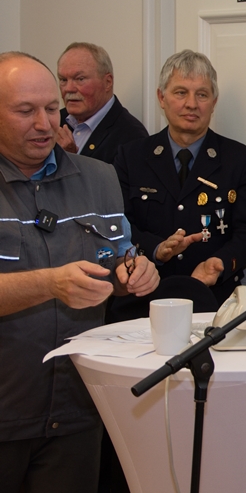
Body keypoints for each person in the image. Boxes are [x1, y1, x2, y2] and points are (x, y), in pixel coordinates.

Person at [0, 52, 160, 492]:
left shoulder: (101, 178)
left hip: (76, 412)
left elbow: (118, 259)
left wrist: (137, 271)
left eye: (52, 109)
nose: (45, 124)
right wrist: (49, 284)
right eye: (25, 111)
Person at [110, 49, 246, 320]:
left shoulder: (239, 159)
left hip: (212, 303)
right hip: (142, 301)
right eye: (180, 92)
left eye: (202, 94)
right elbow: (116, 224)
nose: (191, 104)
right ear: (161, 97)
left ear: (214, 101)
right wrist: (156, 249)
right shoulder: (130, 156)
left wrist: (219, 264)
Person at [56, 42, 149, 164]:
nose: (69, 88)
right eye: (63, 80)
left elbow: (111, 183)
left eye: (80, 79)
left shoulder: (132, 138)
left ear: (108, 82)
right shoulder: (52, 121)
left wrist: (69, 160)